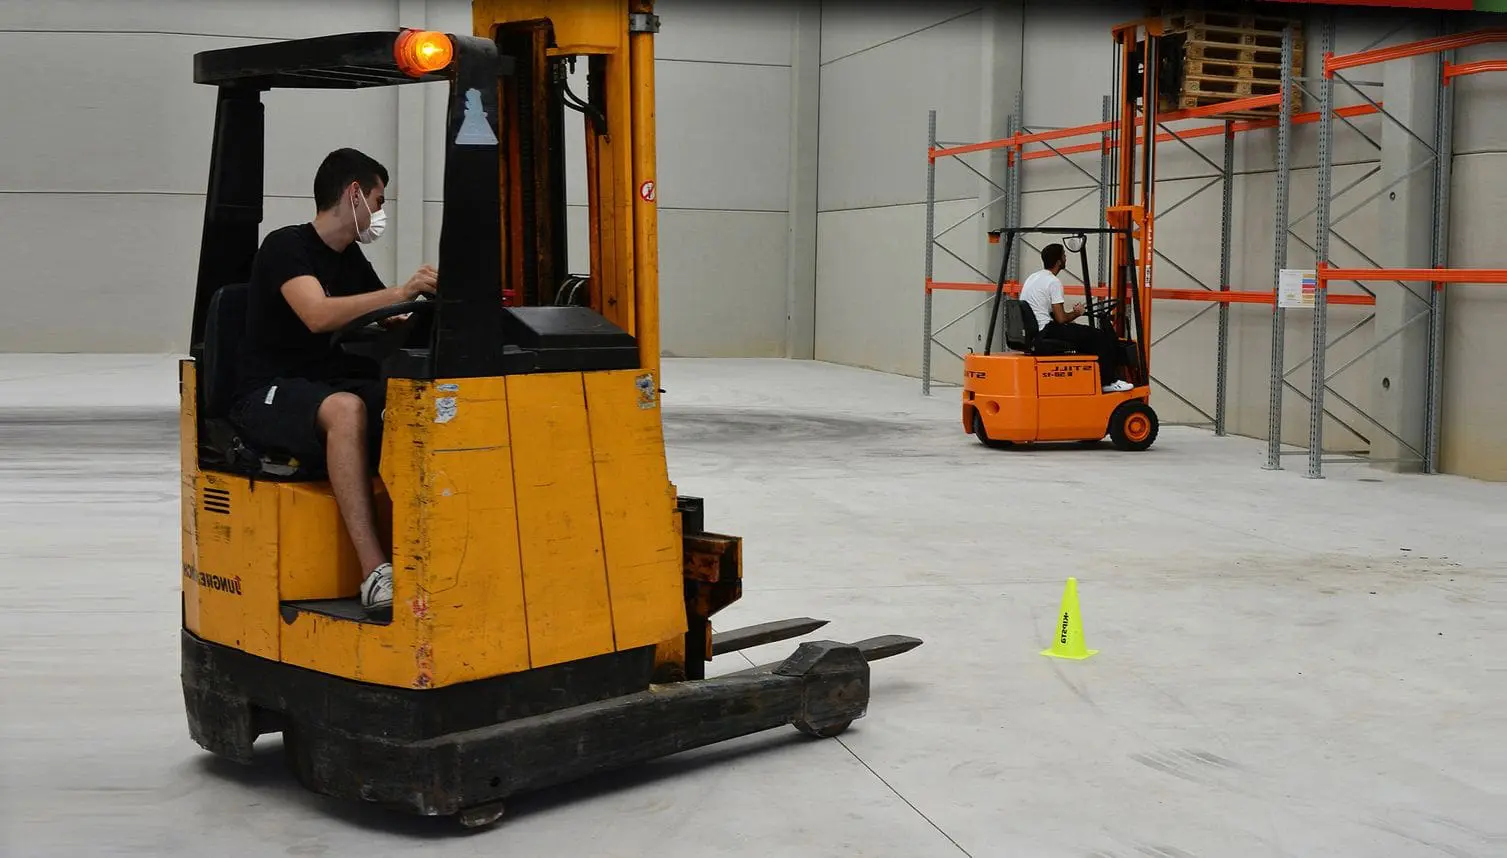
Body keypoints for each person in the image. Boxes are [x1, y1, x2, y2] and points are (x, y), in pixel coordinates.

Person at [230, 148, 438, 614]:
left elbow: (385, 311)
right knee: (346, 408)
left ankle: (425, 546)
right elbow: (318, 314)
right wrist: (399, 291)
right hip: (264, 392)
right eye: (379, 201)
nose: (380, 212)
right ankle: (375, 571)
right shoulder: (286, 247)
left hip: (318, 383)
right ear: (354, 194)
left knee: (410, 399)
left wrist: (424, 306)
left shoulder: (349, 259)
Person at [1018, 243, 1133, 393]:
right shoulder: (1053, 282)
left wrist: (1072, 314)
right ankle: (1108, 381)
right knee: (1098, 336)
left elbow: (1048, 311)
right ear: (1058, 261)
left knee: (1082, 336)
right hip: (1046, 330)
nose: (1066, 258)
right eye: (1064, 255)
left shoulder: (1033, 277)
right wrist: (1077, 313)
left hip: (1037, 330)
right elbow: (1061, 318)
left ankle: (1092, 378)